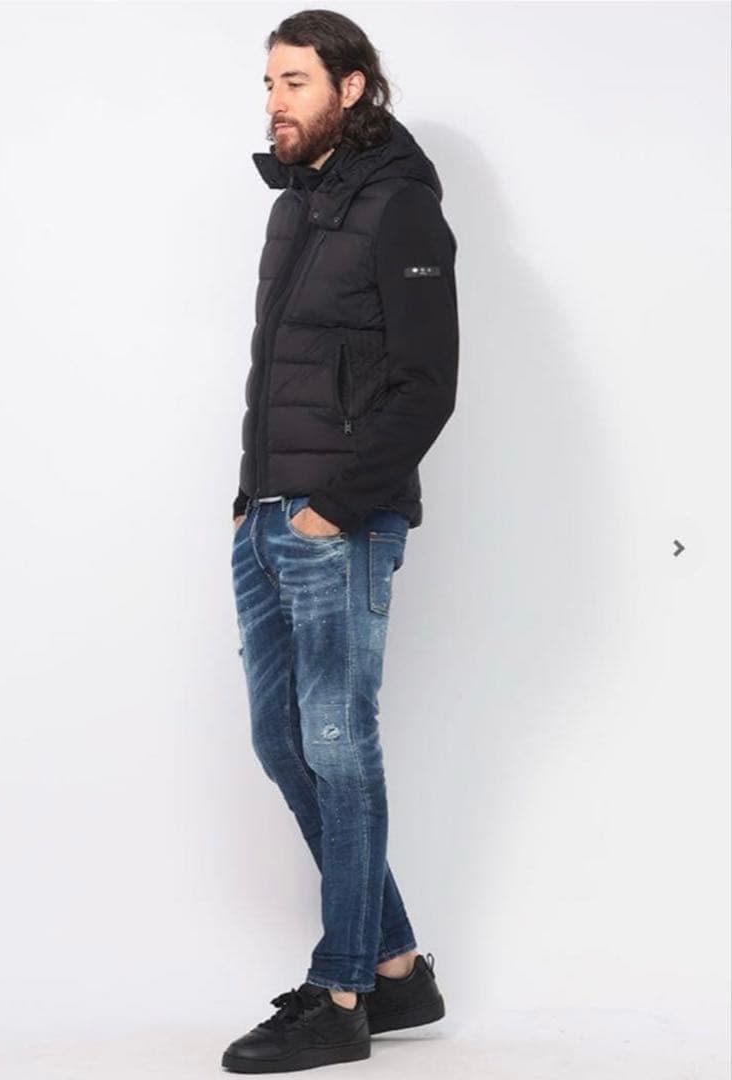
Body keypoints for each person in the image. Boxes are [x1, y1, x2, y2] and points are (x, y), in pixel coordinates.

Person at [223, 9, 459, 1073]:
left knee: (335, 742)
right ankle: (398, 970)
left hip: (340, 523)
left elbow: (428, 385)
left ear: (351, 87)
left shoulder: (400, 207)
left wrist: (336, 506)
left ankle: (342, 993)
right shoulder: (300, 206)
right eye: (269, 83)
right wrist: (254, 498)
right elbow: (281, 367)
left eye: (296, 82)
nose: (275, 101)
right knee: (283, 743)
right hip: (272, 516)